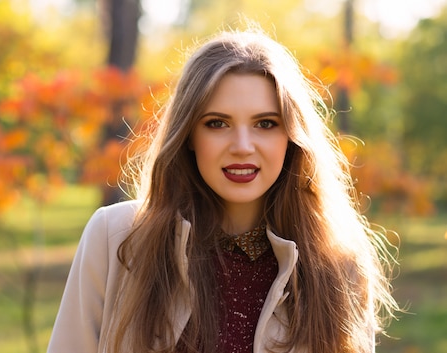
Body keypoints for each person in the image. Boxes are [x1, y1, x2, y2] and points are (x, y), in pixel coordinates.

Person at [47, 27, 400, 353]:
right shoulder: (116, 238)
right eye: (217, 123)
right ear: (188, 136)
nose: (243, 146)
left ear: (291, 138)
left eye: (265, 123)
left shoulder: (339, 266)